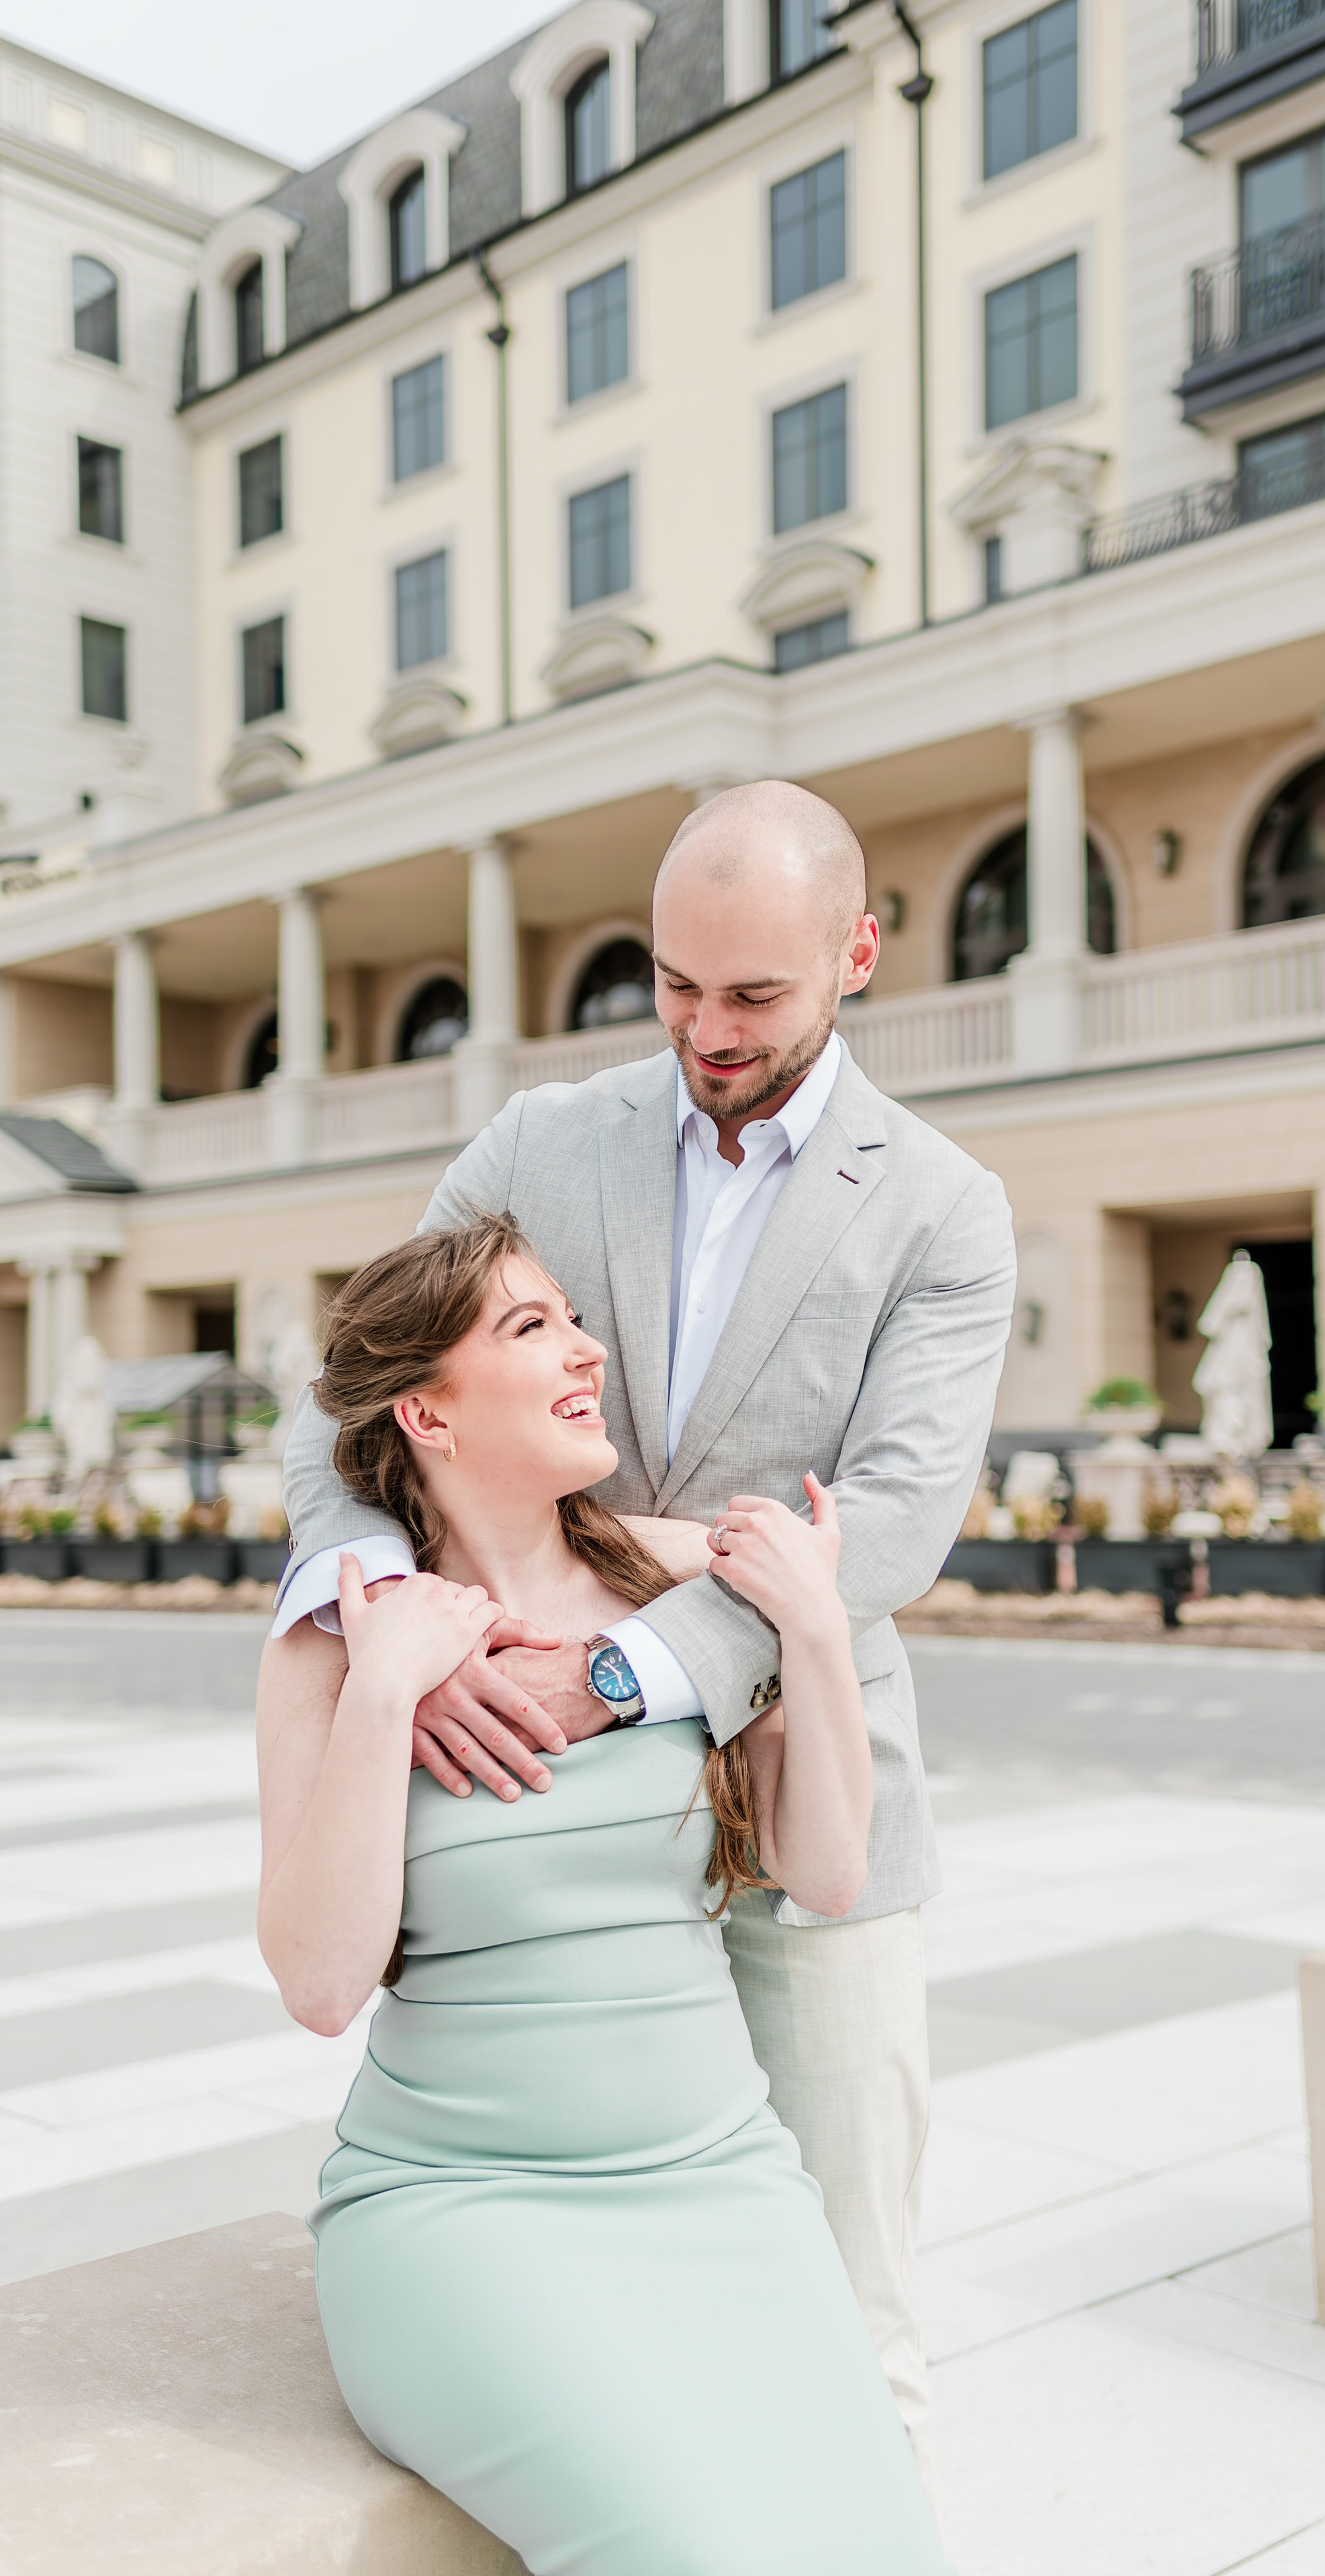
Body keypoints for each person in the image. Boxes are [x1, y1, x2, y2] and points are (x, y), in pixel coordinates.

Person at [276, 778, 1017, 2485]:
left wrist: (617, 1671)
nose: (706, 1028)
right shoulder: (543, 1141)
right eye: (675, 984)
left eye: (752, 994)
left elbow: (886, 1531)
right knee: (626, 2329)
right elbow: (351, 1397)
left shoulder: (942, 1207)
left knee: (844, 2305)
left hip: (800, 1793)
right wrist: (394, 1607)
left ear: (856, 957)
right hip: (559, 1841)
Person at [258, 1214, 948, 2574]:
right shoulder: (339, 1640)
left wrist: (811, 1624)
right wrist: (389, 1682)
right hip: (466, 2217)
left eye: (573, 1316)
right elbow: (321, 1983)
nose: (587, 1351)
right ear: (426, 1411)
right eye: (530, 1327)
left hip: (723, 2190)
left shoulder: (680, 1575)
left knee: (881, 2547)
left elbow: (824, 1869)